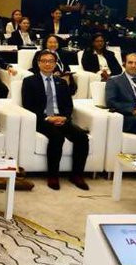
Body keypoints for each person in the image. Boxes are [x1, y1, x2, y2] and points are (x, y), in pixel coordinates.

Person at [21, 50, 89, 190]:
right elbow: (28, 106)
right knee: (57, 137)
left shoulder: (61, 82)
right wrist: (48, 118)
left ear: (55, 64)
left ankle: (77, 175)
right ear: (38, 63)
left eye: (51, 61)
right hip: (42, 120)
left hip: (61, 118)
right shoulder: (29, 82)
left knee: (82, 137)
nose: (47, 64)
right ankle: (53, 176)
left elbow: (69, 105)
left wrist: (64, 117)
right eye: (44, 61)